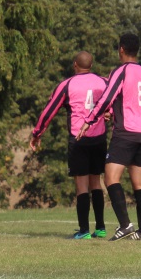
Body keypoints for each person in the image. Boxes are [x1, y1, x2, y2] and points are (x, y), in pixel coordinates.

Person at [77, 33, 141, 241]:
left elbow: (107, 97)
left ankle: (125, 225)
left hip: (125, 133)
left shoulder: (121, 71)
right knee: (139, 182)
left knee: (111, 178)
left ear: (121, 49)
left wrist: (89, 120)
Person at [30, 51, 108, 239]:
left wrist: (37, 133)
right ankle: (100, 228)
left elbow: (49, 111)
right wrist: (110, 114)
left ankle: (84, 231)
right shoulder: (103, 82)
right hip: (99, 137)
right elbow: (113, 101)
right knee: (96, 182)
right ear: (91, 65)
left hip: (78, 138)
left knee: (81, 185)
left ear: (75, 65)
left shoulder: (66, 85)